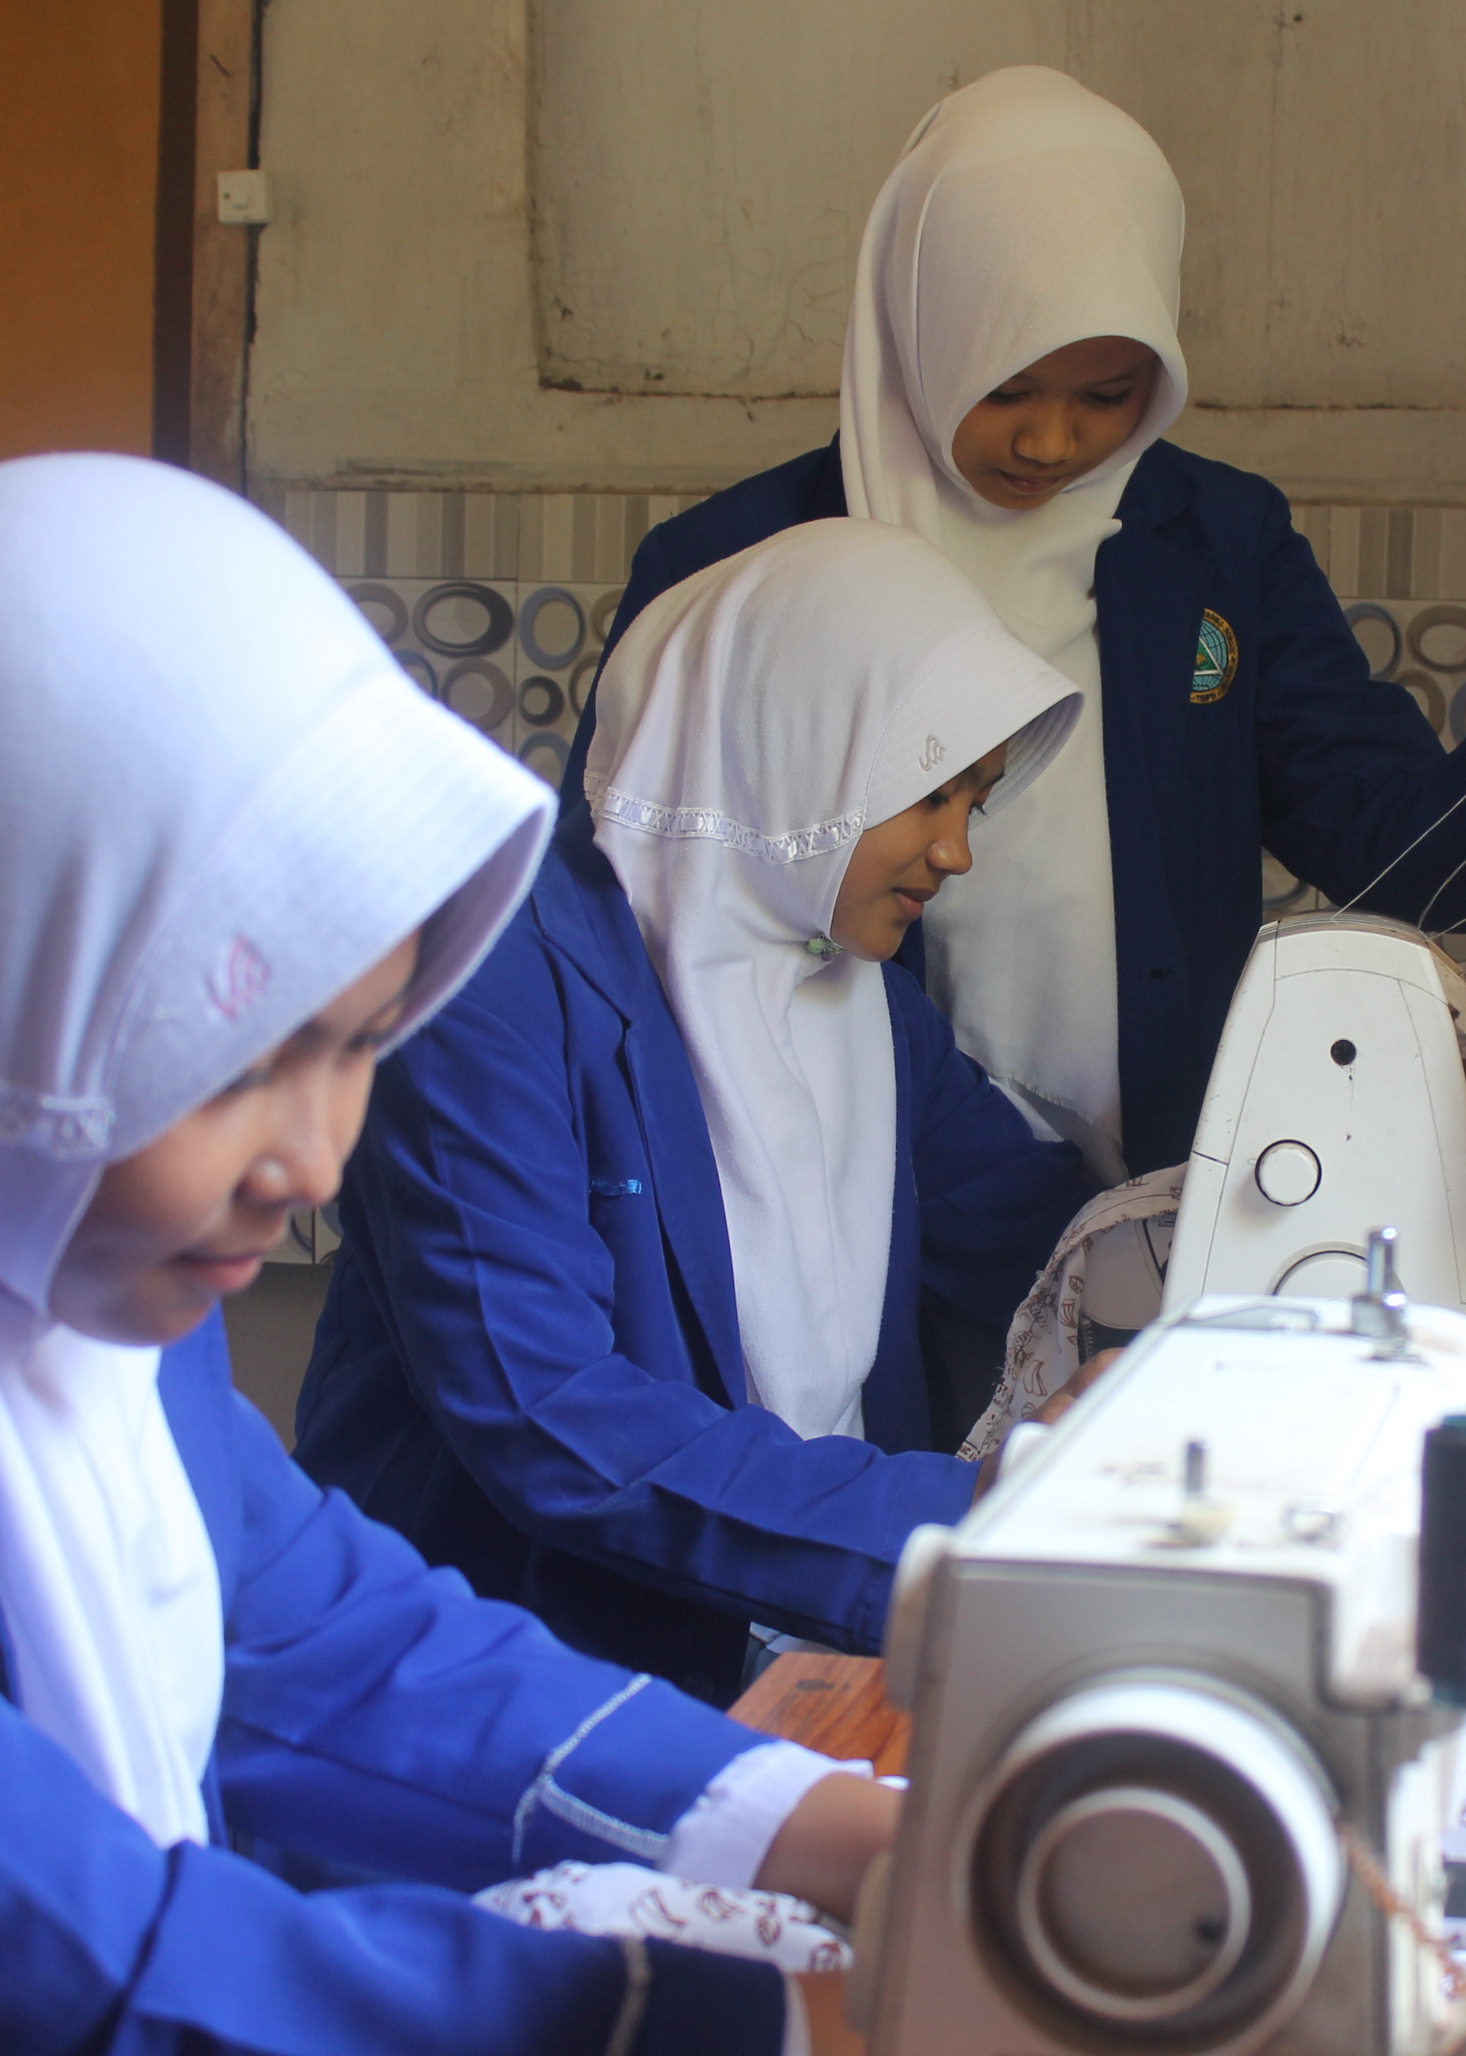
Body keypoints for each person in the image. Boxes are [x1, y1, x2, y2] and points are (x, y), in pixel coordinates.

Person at [0, 456, 889, 2056]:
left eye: (363, 1043)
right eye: (229, 1067)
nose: (315, 1166)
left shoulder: (18, 1196)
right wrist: (801, 2026)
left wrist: (840, 1831)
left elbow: (304, 1629)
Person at [594, 66, 1466, 1186]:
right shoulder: (733, 570)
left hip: (1153, 1183)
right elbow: (627, 912)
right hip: (818, 1174)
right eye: (1005, 388)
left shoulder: (1218, 543)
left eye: (1107, 394)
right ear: (916, 328)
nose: (1050, 443)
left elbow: (1398, 860)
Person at [297, 519, 1095, 1707]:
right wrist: (962, 1514)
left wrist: (1208, 1276)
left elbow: (1030, 1225)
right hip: (518, 1664)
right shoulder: (493, 984)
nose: (955, 852)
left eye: (974, 803)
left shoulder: (857, 992)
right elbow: (548, 1413)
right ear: (792, 750)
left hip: (791, 1635)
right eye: (930, 795)